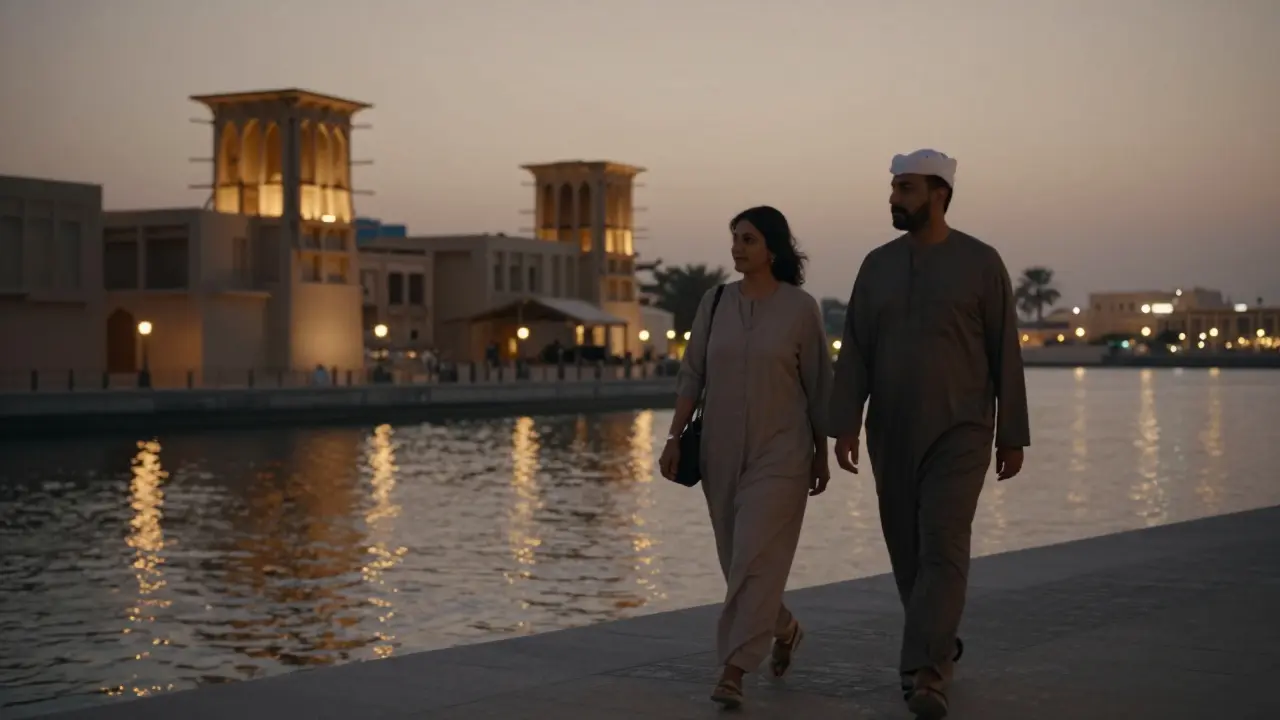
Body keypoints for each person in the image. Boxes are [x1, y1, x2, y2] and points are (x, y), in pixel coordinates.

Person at [827, 149, 1030, 719]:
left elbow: (1003, 352)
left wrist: (1010, 433)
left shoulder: (981, 263)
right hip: (890, 430)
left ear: (939, 193)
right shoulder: (876, 265)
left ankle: (927, 673)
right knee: (907, 553)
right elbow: (857, 348)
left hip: (960, 432)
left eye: (906, 188)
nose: (894, 198)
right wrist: (844, 423)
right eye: (893, 188)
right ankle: (938, 641)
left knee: (943, 547)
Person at [658, 205, 833, 709]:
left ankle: (733, 669)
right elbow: (693, 375)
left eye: (749, 239)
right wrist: (673, 438)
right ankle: (784, 628)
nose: (737, 247)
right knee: (738, 560)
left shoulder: (801, 309)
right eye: (735, 238)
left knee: (755, 553)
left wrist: (821, 453)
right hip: (718, 451)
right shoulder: (714, 303)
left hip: (783, 450)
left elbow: (818, 386)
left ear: (772, 248)